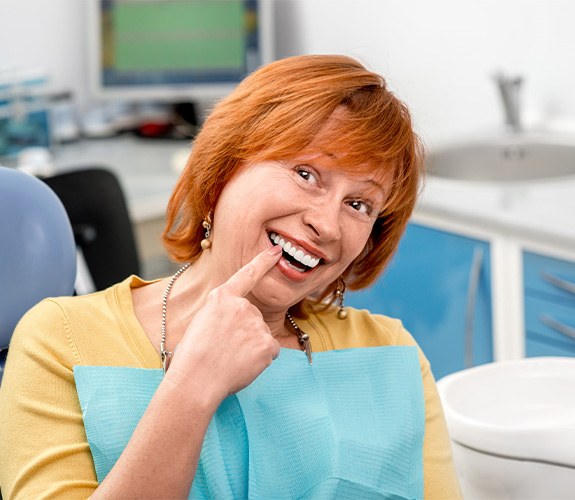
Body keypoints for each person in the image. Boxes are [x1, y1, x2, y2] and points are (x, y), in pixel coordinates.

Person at [0, 54, 462, 499]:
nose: (327, 224)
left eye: (359, 205)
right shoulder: (59, 339)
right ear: (222, 171)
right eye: (306, 174)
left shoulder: (392, 355)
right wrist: (193, 387)